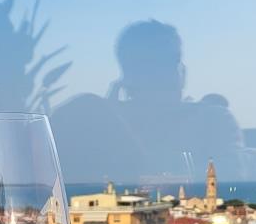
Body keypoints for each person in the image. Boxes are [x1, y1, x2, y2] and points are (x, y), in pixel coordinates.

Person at [50, 20, 245, 183]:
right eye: (155, 63)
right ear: (128, 72)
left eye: (172, 61)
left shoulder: (213, 121)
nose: (171, 71)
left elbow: (230, 189)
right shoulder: (89, 117)